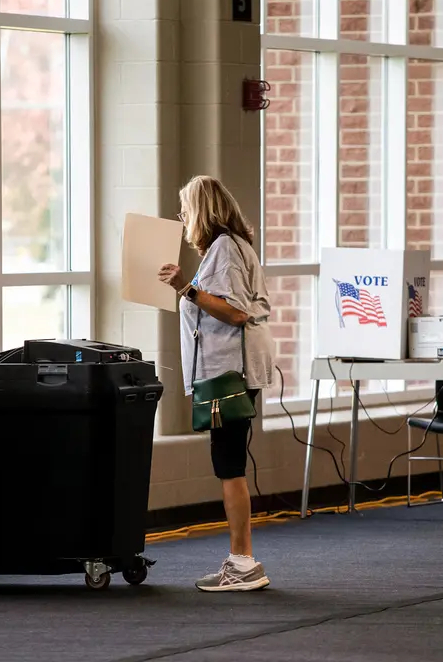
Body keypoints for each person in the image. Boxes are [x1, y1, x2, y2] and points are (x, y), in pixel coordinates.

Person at [158, 175, 275, 592]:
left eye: (186, 210)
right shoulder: (233, 247)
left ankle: (242, 563)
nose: (183, 218)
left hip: (230, 374)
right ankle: (241, 560)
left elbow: (235, 312)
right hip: (236, 371)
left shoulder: (225, 248)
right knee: (229, 464)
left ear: (203, 212)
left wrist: (186, 288)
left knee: (229, 467)